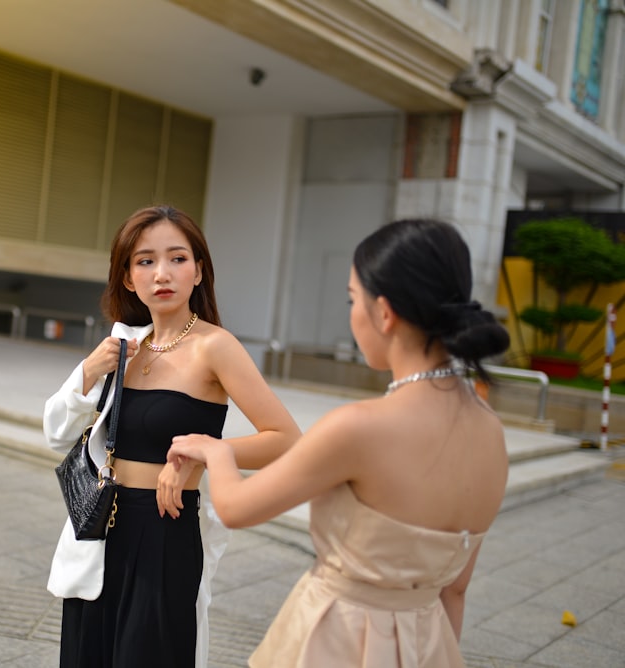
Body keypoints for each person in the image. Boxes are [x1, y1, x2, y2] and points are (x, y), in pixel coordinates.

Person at [168, 218, 511, 667]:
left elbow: (236, 508)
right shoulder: (491, 432)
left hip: (336, 641)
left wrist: (215, 449)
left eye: (353, 298)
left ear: (384, 313)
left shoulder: (358, 427)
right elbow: (456, 589)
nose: (351, 313)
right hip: (427, 643)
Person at [43, 205, 302, 668]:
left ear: (199, 271)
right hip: (99, 527)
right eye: (145, 261)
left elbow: (286, 439)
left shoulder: (214, 346)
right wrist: (88, 372)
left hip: (164, 528)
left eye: (177, 259)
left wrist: (203, 451)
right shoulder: (121, 345)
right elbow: (56, 433)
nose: (162, 273)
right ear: (127, 278)